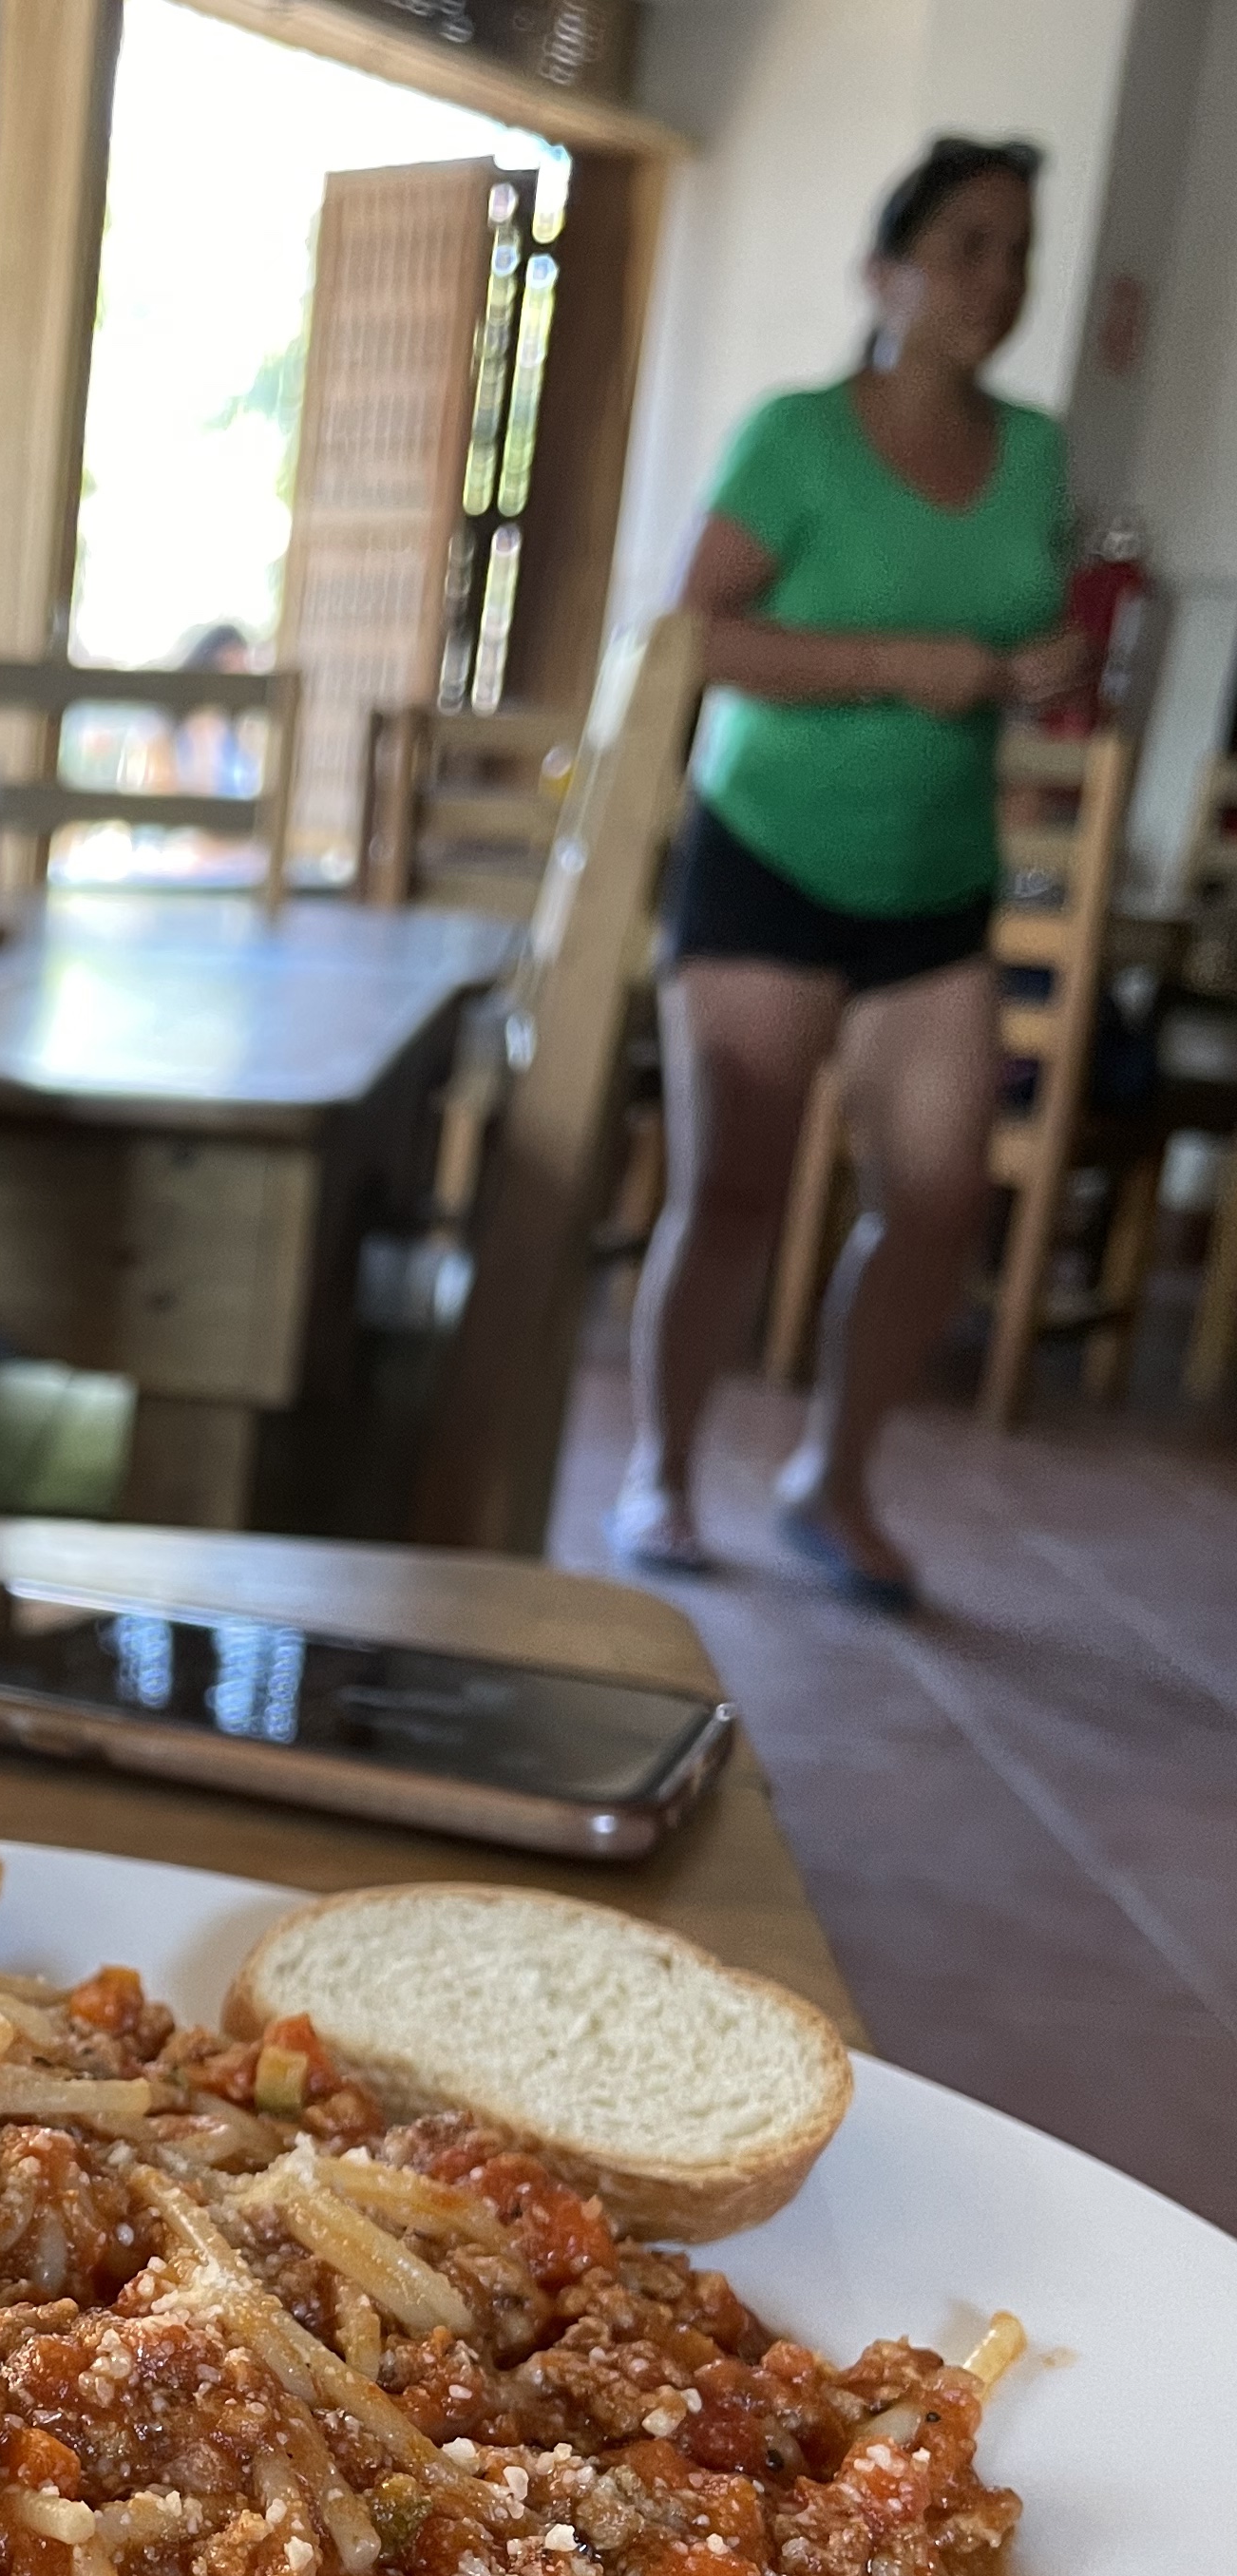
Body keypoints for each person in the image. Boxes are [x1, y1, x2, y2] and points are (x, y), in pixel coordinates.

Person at [613, 137, 1091, 1608]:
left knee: (940, 1203)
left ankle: (834, 1479)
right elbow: (693, 634)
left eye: (1018, 251)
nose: (997, 279)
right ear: (886, 276)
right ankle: (664, 1472)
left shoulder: (1039, 453)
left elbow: (1021, 624)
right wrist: (895, 662)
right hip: (766, 857)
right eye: (966, 247)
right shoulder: (798, 437)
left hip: (936, 884)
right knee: (734, 1193)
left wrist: (1041, 665)